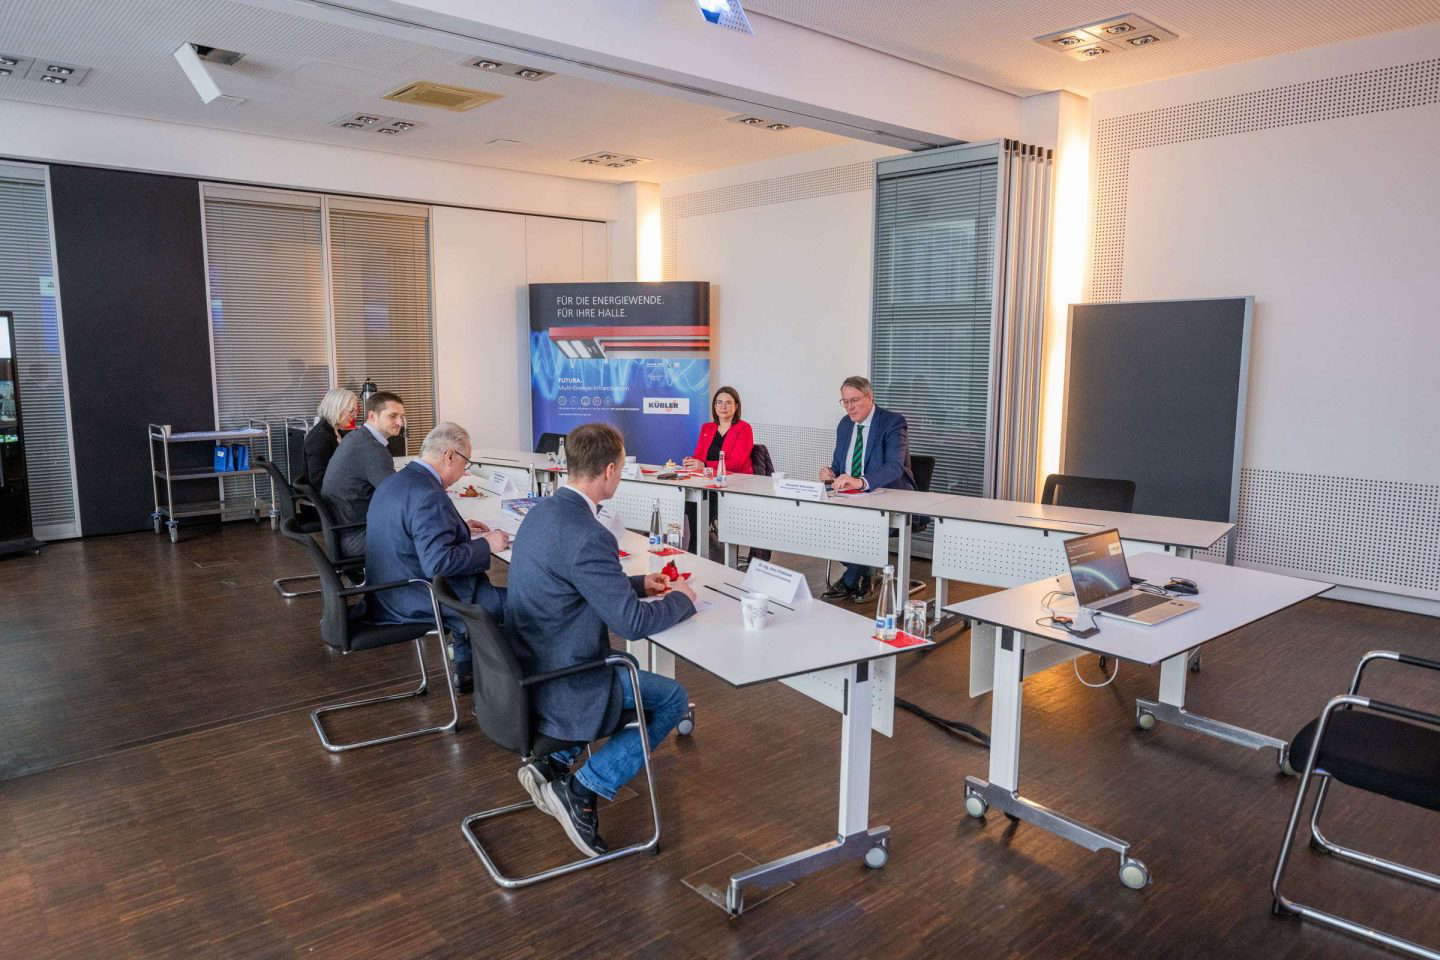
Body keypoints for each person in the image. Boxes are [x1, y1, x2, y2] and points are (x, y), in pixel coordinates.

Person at [506, 422, 697, 858]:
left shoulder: (542, 512)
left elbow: (569, 582)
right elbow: (630, 624)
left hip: (534, 665)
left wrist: (633, 582)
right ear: (610, 470)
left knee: (639, 682)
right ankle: (585, 786)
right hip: (571, 678)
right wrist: (682, 599)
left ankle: (553, 761)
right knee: (672, 698)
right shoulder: (589, 533)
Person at [365, 422, 508, 693]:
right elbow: (438, 563)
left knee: (480, 589)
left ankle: (468, 673)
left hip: (390, 589)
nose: (466, 471)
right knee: (525, 605)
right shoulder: (428, 494)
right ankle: (504, 694)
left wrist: (459, 527)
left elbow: (413, 532)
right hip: (418, 597)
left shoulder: (399, 481)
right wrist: (487, 545)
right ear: (450, 455)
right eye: (466, 462)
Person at [819, 375, 914, 603]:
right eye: (845, 401)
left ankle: (852, 579)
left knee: (863, 527)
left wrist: (861, 481)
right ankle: (864, 569)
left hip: (889, 496)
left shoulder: (892, 422)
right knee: (821, 523)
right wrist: (830, 474)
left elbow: (894, 467)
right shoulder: (845, 424)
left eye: (854, 400)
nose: (849, 407)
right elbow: (840, 466)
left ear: (870, 397)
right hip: (851, 498)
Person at [321, 390, 404, 557]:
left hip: (347, 529)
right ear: (372, 416)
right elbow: (398, 496)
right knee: (430, 533)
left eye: (402, 416)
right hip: (358, 537)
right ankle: (428, 582)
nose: (400, 422)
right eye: (393, 416)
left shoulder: (357, 437)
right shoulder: (371, 448)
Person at [682, 386, 761, 559]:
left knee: (700, 505)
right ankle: (697, 550)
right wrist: (692, 463)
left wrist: (704, 466)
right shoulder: (707, 428)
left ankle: (695, 553)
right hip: (707, 484)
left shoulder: (743, 428)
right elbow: (699, 456)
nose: (723, 406)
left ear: (736, 406)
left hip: (733, 486)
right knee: (687, 501)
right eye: (719, 402)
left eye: (728, 403)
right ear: (714, 406)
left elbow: (735, 463)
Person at [298, 387, 358, 491]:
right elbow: (318, 480)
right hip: (327, 498)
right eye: (351, 411)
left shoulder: (334, 431)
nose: (355, 416)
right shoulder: (320, 437)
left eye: (356, 411)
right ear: (336, 409)